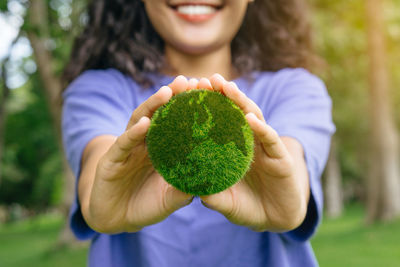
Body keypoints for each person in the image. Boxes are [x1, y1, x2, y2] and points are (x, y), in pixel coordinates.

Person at [62, 0, 335, 266]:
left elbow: (293, 165)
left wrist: (290, 202)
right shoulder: (98, 90)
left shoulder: (295, 89)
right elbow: (99, 161)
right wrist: (101, 202)